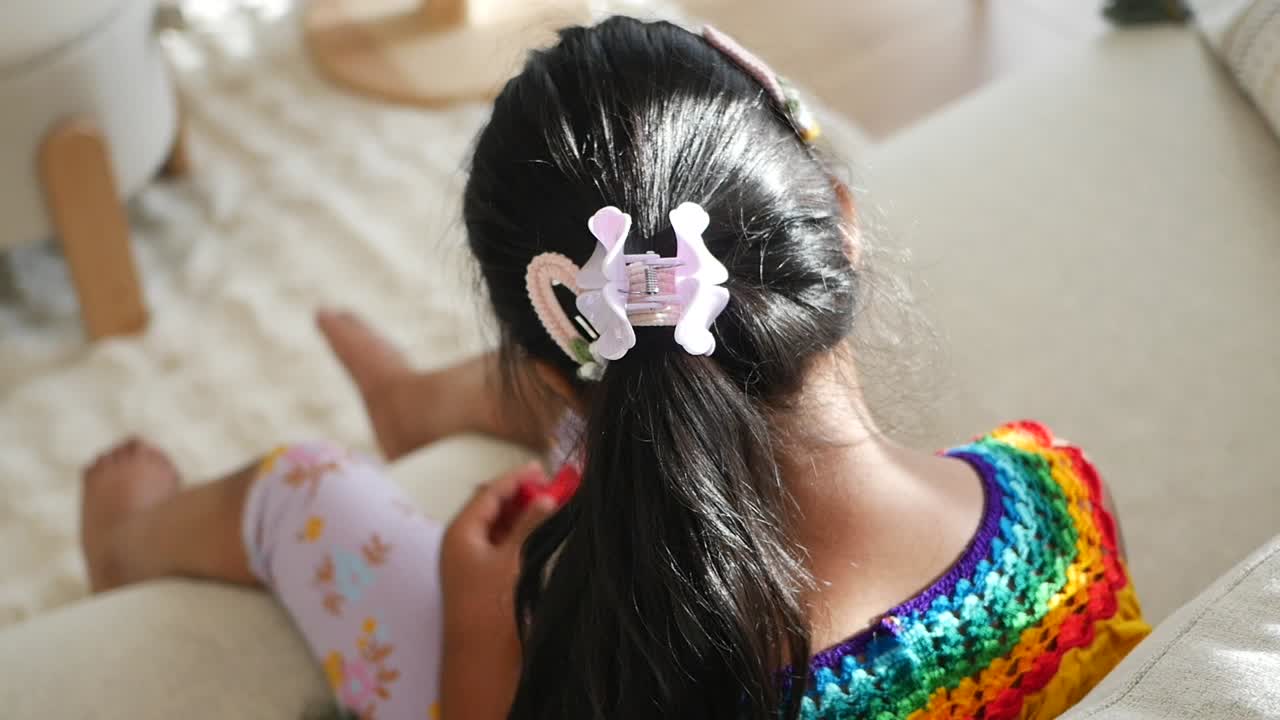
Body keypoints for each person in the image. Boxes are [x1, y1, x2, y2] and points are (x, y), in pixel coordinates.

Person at [77, 17, 1150, 720]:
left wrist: (474, 636)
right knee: (663, 392)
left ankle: (129, 540)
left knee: (305, 487)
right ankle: (414, 405)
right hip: (630, 400)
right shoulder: (1052, 505)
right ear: (842, 227)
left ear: (548, 362)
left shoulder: (601, 682)